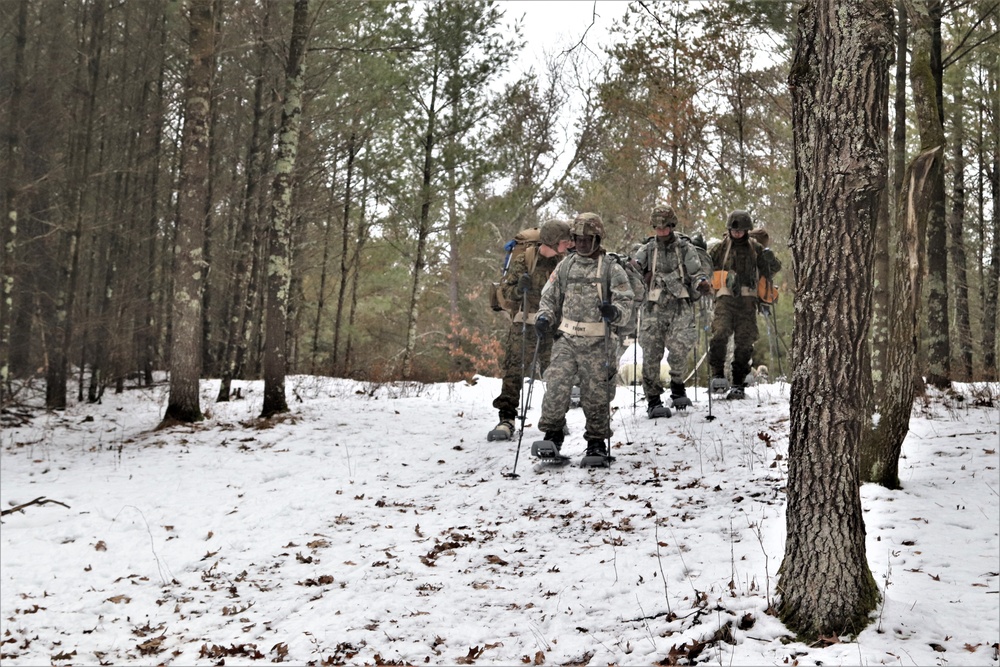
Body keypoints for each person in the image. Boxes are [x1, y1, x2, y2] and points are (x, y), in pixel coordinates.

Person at [533, 212, 634, 461]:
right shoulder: (566, 265)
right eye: (577, 239)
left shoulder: (612, 268)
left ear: (598, 239)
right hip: (567, 338)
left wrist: (614, 312)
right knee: (556, 384)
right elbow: (549, 295)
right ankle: (553, 436)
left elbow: (626, 302)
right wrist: (544, 316)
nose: (581, 244)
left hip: (599, 342)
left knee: (596, 393)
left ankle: (596, 442)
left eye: (587, 239)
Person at [488, 219, 574, 440]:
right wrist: (519, 289)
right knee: (513, 371)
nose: (568, 245)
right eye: (564, 241)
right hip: (523, 324)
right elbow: (505, 293)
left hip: (551, 327)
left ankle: (556, 419)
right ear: (553, 241)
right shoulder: (525, 259)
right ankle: (506, 418)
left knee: (555, 375)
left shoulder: (564, 263)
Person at [633, 206, 712, 417]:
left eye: (664, 227)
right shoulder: (649, 248)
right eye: (657, 228)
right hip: (653, 307)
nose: (661, 232)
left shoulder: (685, 248)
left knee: (680, 348)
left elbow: (696, 272)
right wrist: (637, 270)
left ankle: (677, 385)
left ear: (671, 226)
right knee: (650, 352)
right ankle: (653, 399)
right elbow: (635, 267)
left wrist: (701, 283)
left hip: (679, 304)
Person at [707, 210, 782, 400]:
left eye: (741, 230)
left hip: (748, 301)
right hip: (725, 299)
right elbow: (705, 266)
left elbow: (772, 269)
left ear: (747, 230)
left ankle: (739, 381)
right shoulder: (720, 248)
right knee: (720, 333)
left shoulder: (755, 248)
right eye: (734, 230)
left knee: (745, 341)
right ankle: (717, 375)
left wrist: (769, 260)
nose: (737, 233)